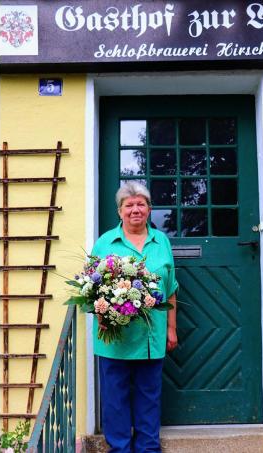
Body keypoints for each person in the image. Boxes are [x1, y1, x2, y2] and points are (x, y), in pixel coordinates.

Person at [90, 181, 178, 453]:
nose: (135, 210)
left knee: (148, 398)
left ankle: (148, 449)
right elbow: (91, 288)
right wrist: (101, 313)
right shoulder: (105, 242)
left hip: (151, 337)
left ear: (149, 209)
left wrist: (172, 329)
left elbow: (171, 287)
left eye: (141, 204)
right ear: (119, 211)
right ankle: (119, 449)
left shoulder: (161, 241)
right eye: (129, 205)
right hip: (115, 338)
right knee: (115, 401)